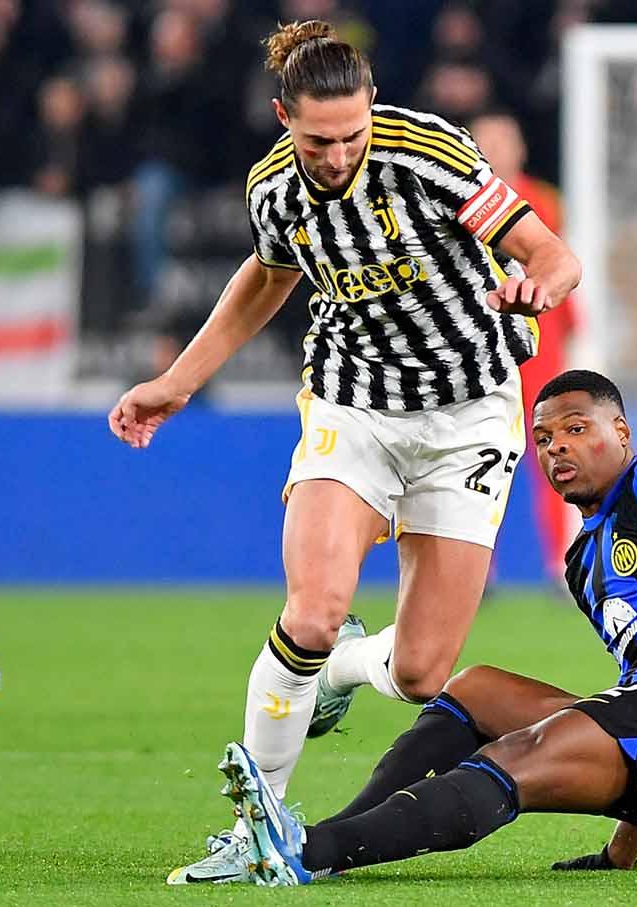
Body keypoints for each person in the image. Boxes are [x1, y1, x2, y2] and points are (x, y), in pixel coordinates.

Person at [109, 19, 581, 881]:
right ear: (285, 115)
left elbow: (549, 250)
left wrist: (538, 282)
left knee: (422, 671)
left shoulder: (429, 153)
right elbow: (267, 275)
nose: (337, 156)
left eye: (353, 135)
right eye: (319, 140)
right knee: (313, 608)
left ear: (372, 111)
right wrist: (178, 379)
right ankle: (257, 829)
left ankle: (344, 672)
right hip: (353, 405)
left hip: (470, 415)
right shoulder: (274, 191)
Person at [171, 369, 637, 885]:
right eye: (544, 438)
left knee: (521, 753)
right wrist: (621, 854)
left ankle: (305, 851)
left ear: (622, 431)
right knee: (476, 687)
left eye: (578, 430)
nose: (557, 449)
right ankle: (327, 830)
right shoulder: (583, 556)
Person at [469, 110, 582, 584]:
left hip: (541, 349)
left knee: (555, 456)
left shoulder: (545, 203)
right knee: (477, 457)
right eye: (486, 142)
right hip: (478, 351)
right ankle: (476, 568)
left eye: (503, 140)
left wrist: (574, 325)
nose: (495, 150)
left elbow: (561, 263)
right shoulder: (459, 200)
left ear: (520, 149)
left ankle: (562, 564)